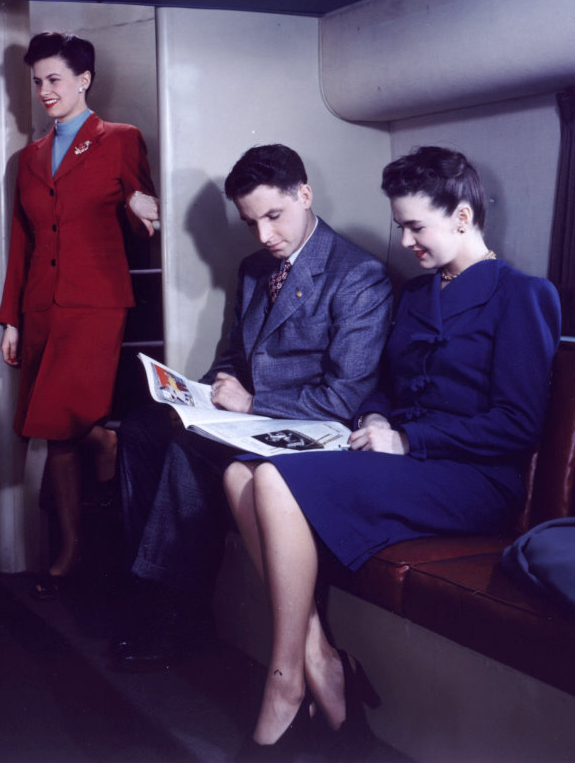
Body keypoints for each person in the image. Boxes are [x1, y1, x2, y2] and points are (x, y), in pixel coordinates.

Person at [222, 146, 560, 752]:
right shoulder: (417, 294)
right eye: (400, 226)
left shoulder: (523, 295)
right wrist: (377, 415)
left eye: (415, 226)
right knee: (238, 477)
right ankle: (321, 658)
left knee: (271, 478)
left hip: (475, 480)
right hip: (405, 459)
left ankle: (285, 682)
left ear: (462, 217)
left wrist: (407, 439)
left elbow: (517, 425)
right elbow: (385, 383)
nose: (404, 241)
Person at [113, 144, 392, 670]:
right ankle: (144, 584)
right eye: (251, 223)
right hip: (247, 418)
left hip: (311, 431)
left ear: (304, 196)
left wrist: (251, 402)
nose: (265, 235)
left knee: (185, 452)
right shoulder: (253, 270)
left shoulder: (358, 276)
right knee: (140, 429)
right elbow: (234, 356)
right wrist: (198, 394)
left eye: (274, 216)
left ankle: (173, 612)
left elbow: (344, 397)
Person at [0, 31, 159, 599]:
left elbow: (147, 224)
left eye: (54, 79)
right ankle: (71, 549)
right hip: (41, 302)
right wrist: (12, 318)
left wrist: (136, 206)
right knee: (56, 434)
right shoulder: (29, 158)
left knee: (64, 416)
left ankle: (106, 462)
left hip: (95, 301)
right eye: (36, 81)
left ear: (83, 80)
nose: (43, 90)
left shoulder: (120, 139)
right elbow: (22, 241)